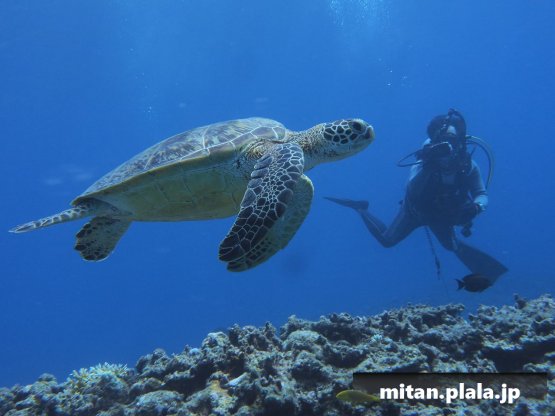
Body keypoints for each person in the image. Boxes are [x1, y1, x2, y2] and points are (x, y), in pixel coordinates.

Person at [326, 108, 507, 284]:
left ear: (460, 140)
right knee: (387, 241)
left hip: (440, 216)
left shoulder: (468, 166)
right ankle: (361, 209)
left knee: (451, 246)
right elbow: (412, 189)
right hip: (414, 212)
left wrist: (476, 207)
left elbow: (481, 194)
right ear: (435, 141)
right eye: (443, 141)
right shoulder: (424, 161)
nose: (448, 147)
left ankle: (487, 274)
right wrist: (429, 165)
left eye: (452, 140)